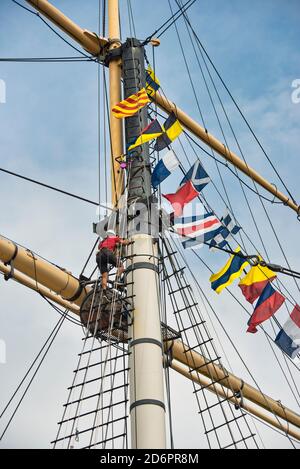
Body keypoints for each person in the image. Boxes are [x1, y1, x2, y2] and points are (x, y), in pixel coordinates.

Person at [96, 229, 130, 293]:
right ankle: (116, 281)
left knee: (104, 276)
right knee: (121, 267)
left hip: (98, 256)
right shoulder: (114, 238)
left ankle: (104, 291)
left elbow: (99, 247)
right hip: (107, 252)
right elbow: (123, 242)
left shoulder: (102, 242)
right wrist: (128, 241)